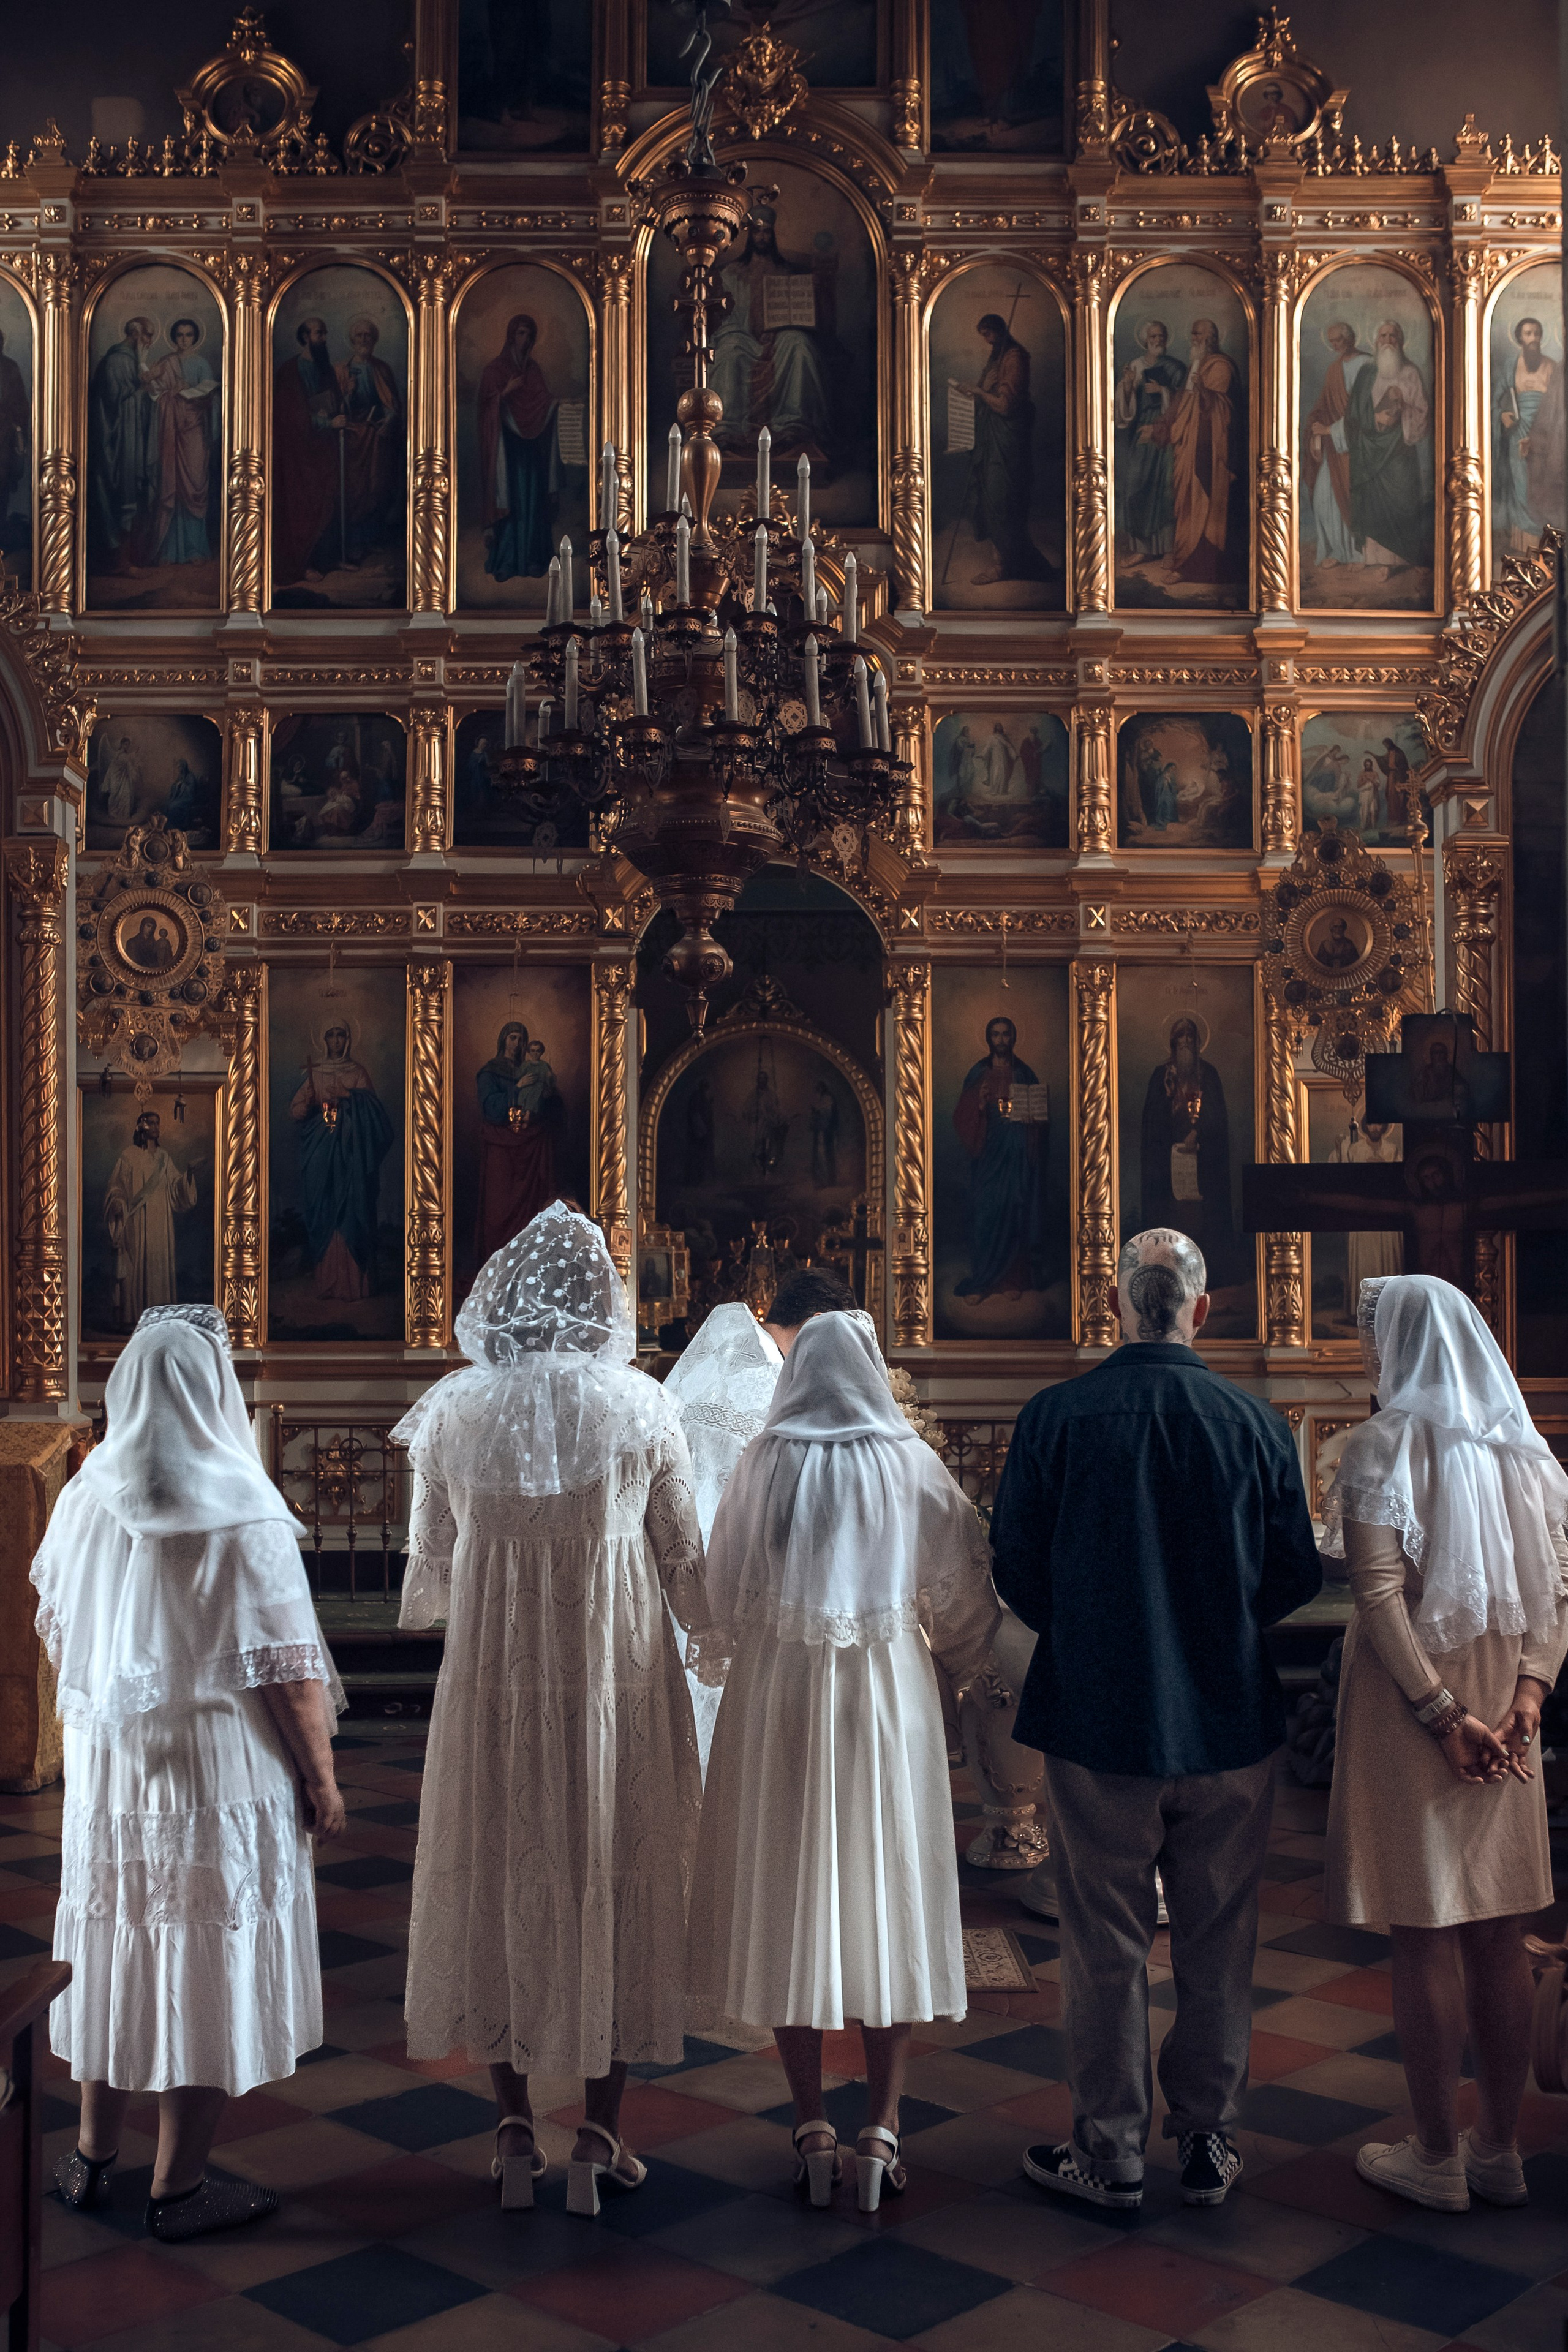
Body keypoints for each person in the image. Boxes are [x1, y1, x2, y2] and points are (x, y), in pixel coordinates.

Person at [991, 1229, 1321, 2212]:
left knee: (1105, 1939)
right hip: (1228, 1717)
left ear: (1115, 1305)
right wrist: (1217, 1631)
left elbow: (1016, 1568)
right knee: (1221, 1933)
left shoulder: (1056, 1418)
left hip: (1099, 1717)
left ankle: (1111, 2150)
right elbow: (1295, 1573)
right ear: (1201, 1309)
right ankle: (1209, 2136)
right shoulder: (1255, 1423)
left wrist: (1092, 1634)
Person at [395, 1206, 707, 2217]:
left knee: (500, 1865)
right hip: (614, 1679)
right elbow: (684, 1562)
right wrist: (721, 1635)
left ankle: (514, 2129)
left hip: (496, 1683)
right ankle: (601, 2134)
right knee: (611, 1870)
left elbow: (432, 1571)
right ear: (598, 1301)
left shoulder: (453, 1413)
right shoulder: (643, 1408)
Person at [32, 1306, 345, 2241]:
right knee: (204, 1951)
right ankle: (179, 2184)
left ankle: (92, 2155)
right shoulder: (241, 1506)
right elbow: (289, 1672)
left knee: (117, 1934)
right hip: (217, 1773)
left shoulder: (86, 1496)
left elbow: (60, 1626)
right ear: (215, 1392)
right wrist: (322, 1781)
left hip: (115, 1772)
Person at [688, 1313, 999, 2211]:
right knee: (886, 1892)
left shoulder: (763, 1461)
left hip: (780, 1693)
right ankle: (882, 2128)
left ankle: (810, 2124)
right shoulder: (908, 1460)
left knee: (789, 1891)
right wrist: (962, 1666)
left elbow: (718, 1593)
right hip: (885, 1695)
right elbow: (963, 1594)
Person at [1322, 1275, 1568, 2211]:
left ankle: (1435, 2156)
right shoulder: (1527, 1454)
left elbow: (1379, 1596)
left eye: (1371, 1337)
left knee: (1426, 1929)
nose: (1366, 1353)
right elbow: (1560, 1592)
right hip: (1507, 1704)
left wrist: (1439, 1715)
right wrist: (1530, 1697)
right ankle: (1498, 2150)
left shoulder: (1380, 1446)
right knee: (1499, 1931)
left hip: (1412, 1704)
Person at [663, 1273, 856, 1771]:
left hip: (675, 1570)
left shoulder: (706, 1364)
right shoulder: (774, 1385)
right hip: (744, 1574)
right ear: (818, 1324)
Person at [289, 1021, 395, 1300]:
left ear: (347, 1039)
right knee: (324, 1206)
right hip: (321, 1150)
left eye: (340, 1035)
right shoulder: (315, 1072)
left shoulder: (356, 1072)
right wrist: (306, 1104)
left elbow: (375, 1114)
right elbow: (296, 1111)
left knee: (352, 1208)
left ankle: (355, 1284)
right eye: (331, 1035)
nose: (336, 1040)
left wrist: (349, 1096)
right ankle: (328, 1281)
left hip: (352, 1155)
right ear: (323, 1040)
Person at [954, 1014, 1047, 1302]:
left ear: (1013, 1037)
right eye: (996, 1034)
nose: (1001, 1040)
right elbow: (962, 1116)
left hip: (1017, 1156)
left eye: (1006, 1034)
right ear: (989, 1038)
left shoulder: (1025, 1074)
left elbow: (1040, 1120)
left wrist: (1032, 1122)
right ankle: (983, 1280)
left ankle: (1012, 1279)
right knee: (986, 1214)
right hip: (988, 1156)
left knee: (1014, 1213)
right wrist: (979, 1104)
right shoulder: (979, 1073)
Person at [1139, 1016, 1231, 1265]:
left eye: (1191, 1037)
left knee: (1199, 1219)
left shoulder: (1208, 1074)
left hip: (1202, 1161)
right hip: (1168, 1162)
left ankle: (1205, 1264)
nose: (1186, 1042)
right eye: (1181, 1038)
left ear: (1198, 1042)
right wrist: (1167, 1100)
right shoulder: (1162, 1075)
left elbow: (1217, 1116)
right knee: (1172, 1217)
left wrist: (1198, 1133)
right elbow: (1151, 1120)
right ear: (1173, 1043)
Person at [1346, 319, 1432, 583]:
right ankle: (1378, 559)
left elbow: (1423, 413)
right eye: (1383, 336)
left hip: (1400, 449)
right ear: (1376, 342)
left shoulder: (1410, 373)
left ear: (1401, 341)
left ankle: (1407, 557)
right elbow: (1353, 415)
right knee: (1373, 504)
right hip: (1370, 450)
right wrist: (1375, 419)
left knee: (1405, 500)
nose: (1388, 341)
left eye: (1393, 336)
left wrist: (1403, 404)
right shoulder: (1367, 373)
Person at [967, 312, 1049, 584]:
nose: (988, 341)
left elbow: (1005, 406)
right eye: (984, 336)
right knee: (991, 499)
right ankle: (1002, 563)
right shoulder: (998, 356)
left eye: (989, 334)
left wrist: (980, 393)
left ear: (999, 331)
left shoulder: (1014, 358)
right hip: (993, 440)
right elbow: (989, 391)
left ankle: (1008, 565)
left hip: (1009, 442)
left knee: (1002, 500)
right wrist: (978, 390)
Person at [473, 1020, 562, 1261]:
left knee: (531, 1212)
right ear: (503, 1039)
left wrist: (546, 1095)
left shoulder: (533, 1069)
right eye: (513, 1037)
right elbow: (491, 1109)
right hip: (501, 1147)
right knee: (498, 1208)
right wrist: (518, 1087)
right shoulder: (490, 1072)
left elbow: (551, 1106)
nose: (517, 1043)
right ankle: (496, 1265)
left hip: (530, 1147)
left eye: (522, 1039)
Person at [104, 1108, 200, 1328]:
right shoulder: (129, 1156)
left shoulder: (164, 1158)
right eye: (152, 1123)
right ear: (142, 1126)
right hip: (136, 1221)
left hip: (161, 1222)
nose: (157, 1128)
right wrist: (118, 1201)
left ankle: (159, 1321)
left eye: (158, 1123)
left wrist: (189, 1175)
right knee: (136, 1265)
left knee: (158, 1265)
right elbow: (116, 1187)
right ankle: (133, 1317)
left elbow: (176, 1187)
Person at [480, 312, 557, 583]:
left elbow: (542, 402)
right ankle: (507, 559)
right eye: (521, 333)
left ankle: (534, 558)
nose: (525, 339)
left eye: (529, 334)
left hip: (532, 450)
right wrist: (506, 393)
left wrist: (556, 405)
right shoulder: (495, 370)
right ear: (512, 336)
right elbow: (485, 408)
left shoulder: (533, 370)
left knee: (533, 502)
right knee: (510, 500)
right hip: (507, 450)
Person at [1166, 319, 1243, 587]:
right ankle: (1183, 558)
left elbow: (1224, 408)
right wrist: (1162, 426)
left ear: (1211, 338)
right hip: (1190, 445)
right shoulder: (1196, 365)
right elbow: (1183, 401)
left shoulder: (1221, 366)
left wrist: (1204, 392)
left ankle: (1199, 566)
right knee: (1188, 502)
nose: (1194, 338)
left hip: (1210, 450)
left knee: (1205, 503)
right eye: (1193, 333)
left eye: (1199, 334)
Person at [271, 316, 345, 586]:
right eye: (318, 333)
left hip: (324, 448)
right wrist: (327, 423)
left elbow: (333, 401)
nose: (324, 338)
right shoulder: (289, 371)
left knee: (328, 501)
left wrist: (342, 404)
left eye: (324, 333)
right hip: (299, 453)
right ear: (305, 337)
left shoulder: (325, 368)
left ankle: (327, 559)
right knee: (304, 506)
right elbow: (291, 416)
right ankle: (303, 564)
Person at [146, 318, 219, 566]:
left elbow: (211, 396)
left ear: (195, 337)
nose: (184, 339)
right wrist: (169, 393)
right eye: (180, 335)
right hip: (171, 430)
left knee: (195, 483)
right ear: (174, 338)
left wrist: (190, 389)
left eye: (188, 335)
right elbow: (155, 394)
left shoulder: (201, 364)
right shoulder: (166, 363)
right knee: (171, 483)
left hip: (195, 430)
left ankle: (195, 548)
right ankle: (170, 550)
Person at [1114, 319, 1185, 568]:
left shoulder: (1176, 367)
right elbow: (1125, 409)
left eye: (1161, 336)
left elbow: (1185, 403)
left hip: (1168, 432)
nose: (1158, 340)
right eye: (1154, 337)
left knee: (1165, 489)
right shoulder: (1135, 365)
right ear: (1145, 340)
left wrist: (1163, 391)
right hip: (1143, 429)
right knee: (1136, 486)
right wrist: (1126, 384)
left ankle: (1168, 549)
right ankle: (1141, 549)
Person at [1493, 314, 1566, 553]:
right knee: (1520, 486)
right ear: (1519, 339)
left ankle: (1545, 548)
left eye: (1537, 334)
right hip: (1518, 435)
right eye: (1528, 334)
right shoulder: (1511, 366)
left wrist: (1544, 436)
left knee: (1541, 484)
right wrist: (1502, 415)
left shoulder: (1552, 367)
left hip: (1546, 439)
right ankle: (1524, 548)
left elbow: (1558, 409)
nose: (1533, 338)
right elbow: (1493, 401)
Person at [88, 315, 155, 576]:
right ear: (135, 334)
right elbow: (122, 403)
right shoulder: (120, 360)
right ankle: (121, 563)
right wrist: (146, 389)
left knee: (129, 499)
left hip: (126, 437)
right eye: (147, 335)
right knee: (123, 498)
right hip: (118, 443)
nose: (149, 341)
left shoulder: (127, 359)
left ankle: (126, 560)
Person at [1305, 322, 1371, 570]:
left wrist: (1331, 431)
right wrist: (1317, 435)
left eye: (1339, 340)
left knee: (1355, 499)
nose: (1335, 345)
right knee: (1323, 499)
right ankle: (1338, 550)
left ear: (1351, 338)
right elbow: (1322, 407)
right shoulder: (1334, 368)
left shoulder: (1367, 364)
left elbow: (1365, 412)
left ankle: (1359, 554)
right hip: (1335, 446)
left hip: (1359, 445)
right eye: (1332, 341)